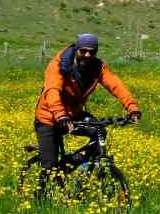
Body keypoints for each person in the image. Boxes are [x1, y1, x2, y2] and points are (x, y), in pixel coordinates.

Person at [32, 33, 140, 198]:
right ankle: (39, 198)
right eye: (83, 51)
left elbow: (115, 84)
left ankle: (83, 167)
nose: (88, 55)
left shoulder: (97, 67)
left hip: (73, 114)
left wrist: (131, 107)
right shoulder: (59, 65)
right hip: (49, 118)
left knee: (99, 131)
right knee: (50, 166)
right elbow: (52, 90)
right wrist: (61, 115)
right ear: (76, 49)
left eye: (92, 52)